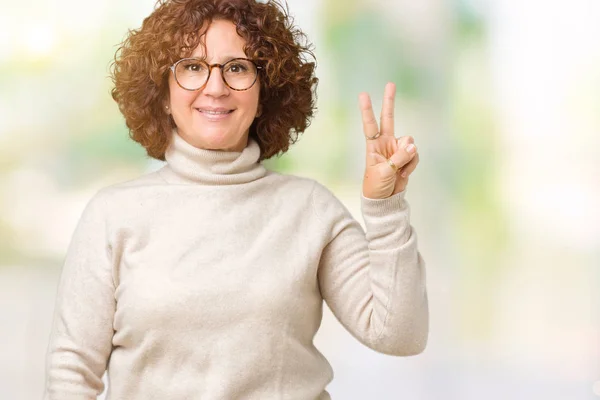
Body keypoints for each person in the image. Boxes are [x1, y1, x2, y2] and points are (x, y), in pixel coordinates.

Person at [43, 0, 428, 398]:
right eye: (192, 67)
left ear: (264, 93)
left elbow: (400, 336)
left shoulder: (310, 210)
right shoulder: (113, 215)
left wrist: (386, 208)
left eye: (237, 68)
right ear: (162, 93)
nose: (215, 87)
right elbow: (71, 372)